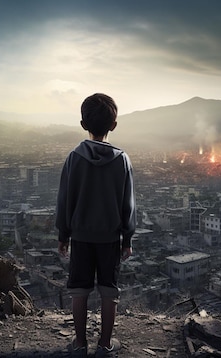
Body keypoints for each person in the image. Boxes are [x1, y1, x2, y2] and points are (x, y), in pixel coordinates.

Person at [56, 93, 136, 357]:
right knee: (109, 291)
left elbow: (65, 200)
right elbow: (128, 204)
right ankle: (105, 345)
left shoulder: (74, 158)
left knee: (78, 290)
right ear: (114, 125)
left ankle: (79, 344)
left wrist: (63, 235)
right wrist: (128, 239)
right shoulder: (122, 159)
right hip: (110, 238)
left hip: (80, 236)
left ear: (83, 124)